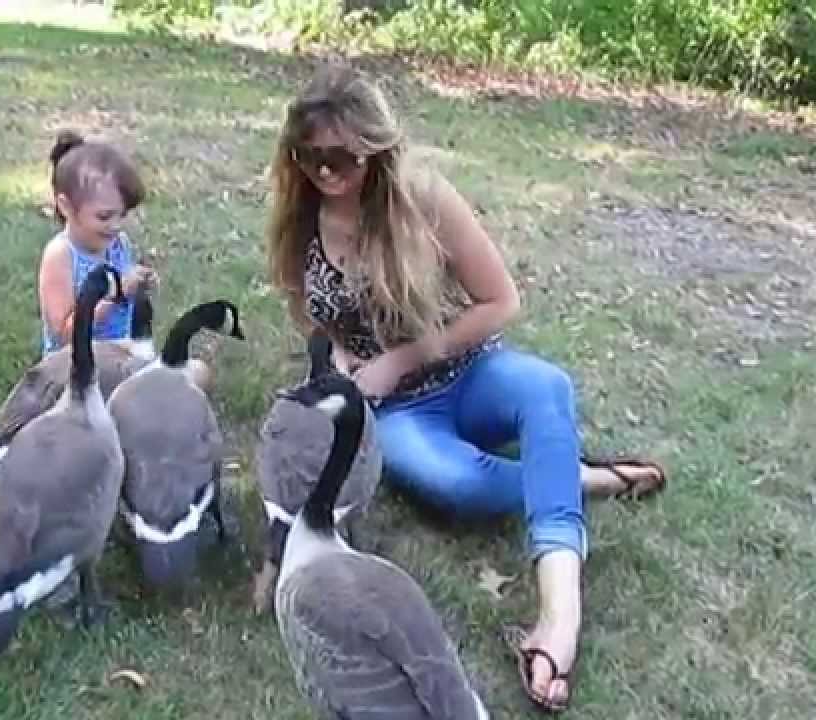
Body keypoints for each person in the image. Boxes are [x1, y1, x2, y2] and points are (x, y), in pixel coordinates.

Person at [264, 64, 667, 712]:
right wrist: (337, 355)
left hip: (466, 370)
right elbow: (304, 305)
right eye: (307, 156)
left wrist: (403, 357)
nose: (324, 172)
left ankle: (558, 619)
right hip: (391, 410)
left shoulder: (422, 198)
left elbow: (500, 300)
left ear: (375, 148)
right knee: (457, 485)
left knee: (546, 389)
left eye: (340, 157)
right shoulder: (300, 214)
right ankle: (581, 476)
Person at [38, 129, 158, 356]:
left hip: (121, 352)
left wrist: (140, 285)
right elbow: (64, 335)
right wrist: (117, 292)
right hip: (75, 366)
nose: (115, 226)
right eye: (104, 217)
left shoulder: (118, 244)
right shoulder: (61, 255)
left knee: (198, 372)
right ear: (66, 207)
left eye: (121, 215)